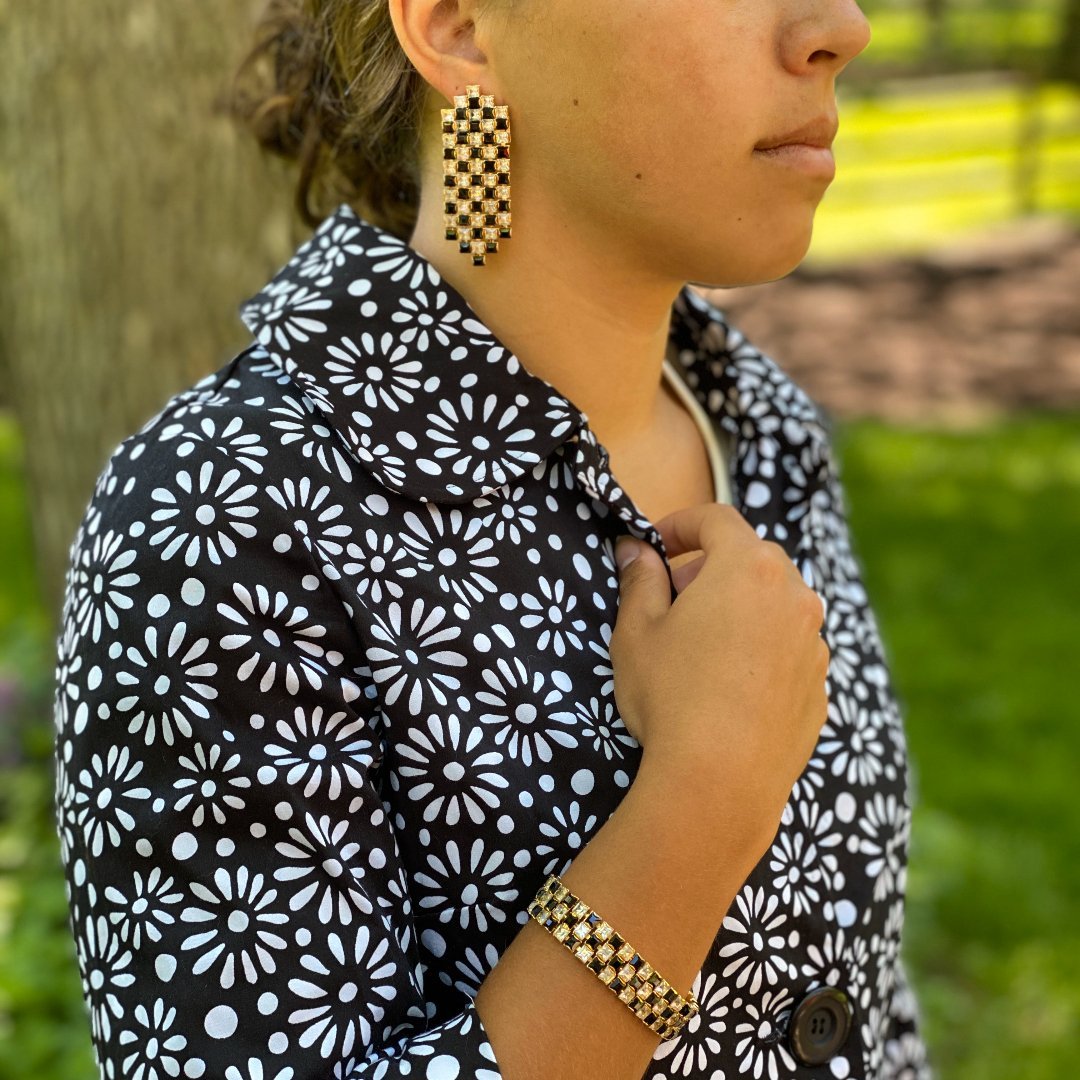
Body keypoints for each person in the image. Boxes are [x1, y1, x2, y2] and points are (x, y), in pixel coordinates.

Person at [52, 0, 934, 1077]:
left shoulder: (761, 426)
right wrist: (699, 807)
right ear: (461, 28)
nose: (840, 26)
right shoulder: (220, 518)